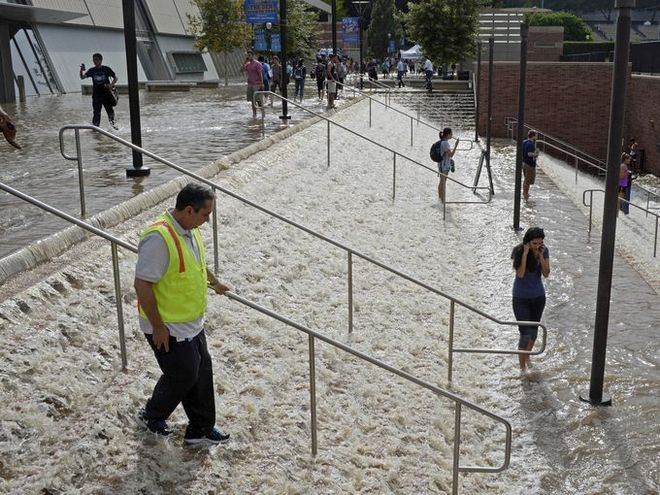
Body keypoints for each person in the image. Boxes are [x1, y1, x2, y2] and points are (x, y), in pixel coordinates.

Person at [134, 183, 231, 445]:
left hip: (191, 321)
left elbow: (196, 264)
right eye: (205, 214)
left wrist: (215, 282)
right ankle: (151, 415)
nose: (207, 220)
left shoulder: (189, 229)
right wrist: (158, 327)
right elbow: (142, 285)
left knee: (201, 371)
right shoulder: (158, 238)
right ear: (189, 210)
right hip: (168, 326)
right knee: (184, 374)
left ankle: (200, 430)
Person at [511, 227, 550, 371]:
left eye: (540, 243)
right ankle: (522, 369)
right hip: (521, 298)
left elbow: (546, 273)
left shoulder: (544, 251)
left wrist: (540, 256)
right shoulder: (519, 251)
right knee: (525, 334)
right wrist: (526, 254)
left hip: (538, 297)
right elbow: (520, 274)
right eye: (534, 243)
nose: (537, 246)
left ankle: (527, 356)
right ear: (527, 242)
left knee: (534, 331)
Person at [79, 53, 118, 129]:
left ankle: (114, 127)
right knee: (96, 113)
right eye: (93, 60)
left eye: (96, 60)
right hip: (96, 95)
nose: (94, 61)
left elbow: (115, 78)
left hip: (106, 94)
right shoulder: (92, 70)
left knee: (110, 111)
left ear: (101, 60)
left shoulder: (106, 69)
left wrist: (111, 85)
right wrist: (81, 70)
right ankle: (95, 129)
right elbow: (82, 77)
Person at [436, 127, 459, 202]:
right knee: (443, 182)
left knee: (441, 182)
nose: (452, 135)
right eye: (451, 133)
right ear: (448, 134)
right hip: (445, 165)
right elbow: (451, 155)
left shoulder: (441, 141)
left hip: (440, 164)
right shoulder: (445, 143)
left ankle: (440, 199)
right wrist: (456, 146)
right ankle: (442, 200)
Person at [243, 51, 264, 118]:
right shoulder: (248, 64)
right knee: (252, 100)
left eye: (249, 55)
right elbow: (241, 70)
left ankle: (263, 113)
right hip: (250, 84)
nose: (248, 57)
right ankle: (254, 114)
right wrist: (244, 62)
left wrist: (261, 83)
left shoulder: (257, 64)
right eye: (247, 55)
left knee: (258, 100)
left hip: (257, 84)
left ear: (253, 55)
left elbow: (260, 74)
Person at [522, 130, 540, 200]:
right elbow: (529, 154)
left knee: (526, 180)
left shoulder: (524, 142)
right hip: (529, 165)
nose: (537, 136)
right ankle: (525, 194)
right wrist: (536, 154)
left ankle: (525, 193)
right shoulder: (531, 144)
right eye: (536, 135)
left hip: (524, 163)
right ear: (533, 136)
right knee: (528, 181)